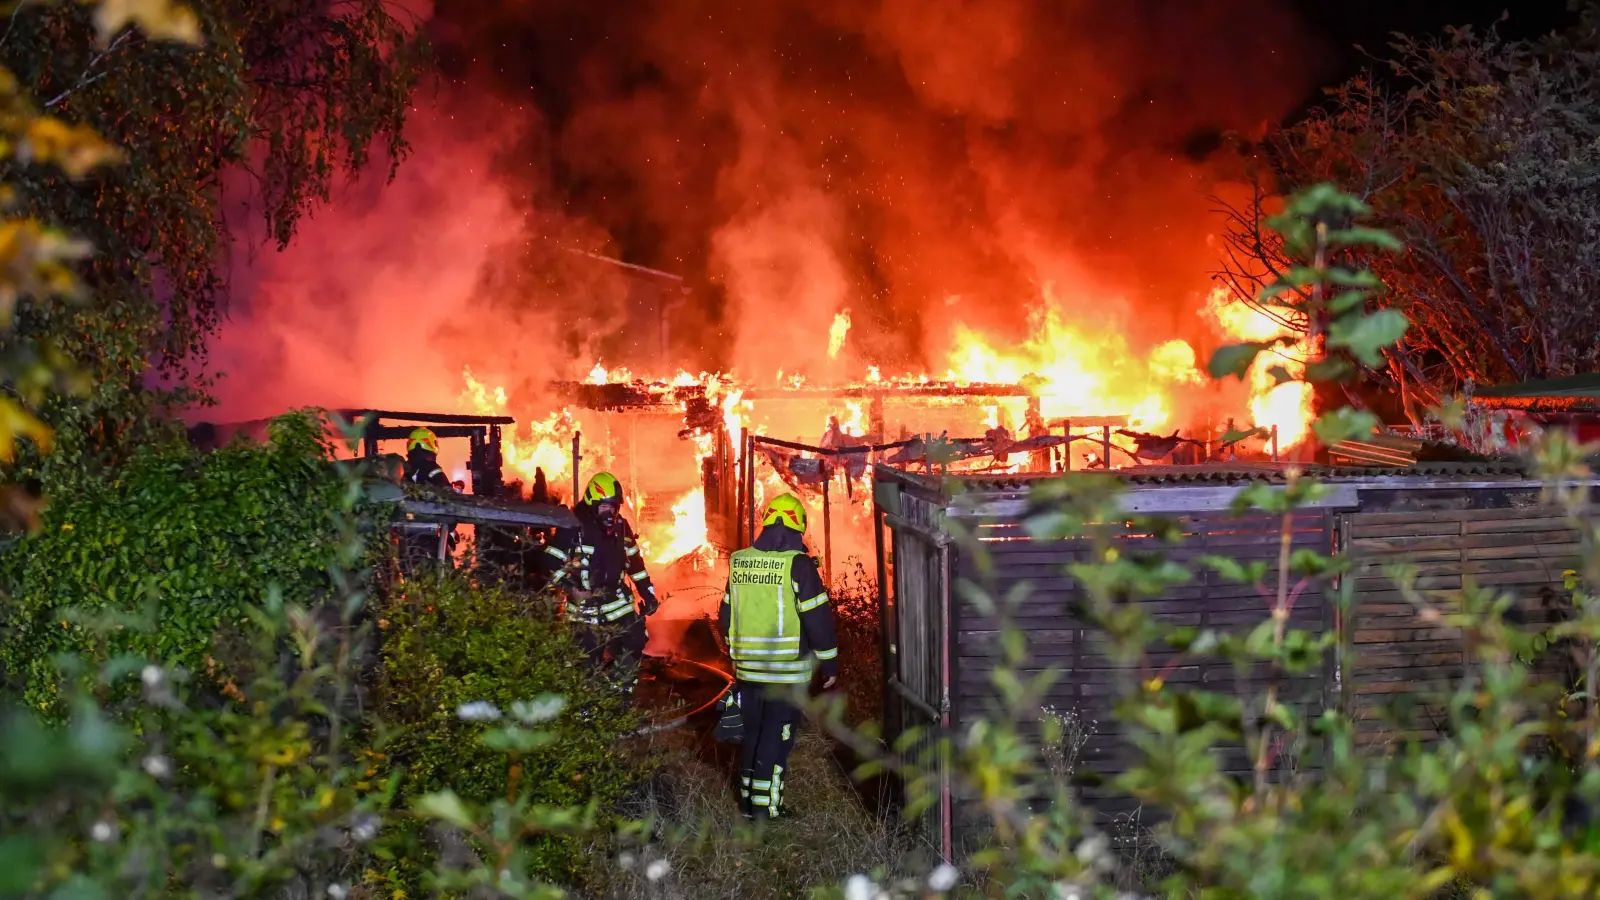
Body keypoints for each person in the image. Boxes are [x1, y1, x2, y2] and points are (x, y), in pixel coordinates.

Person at [719, 492, 839, 821]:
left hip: (748, 671)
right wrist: (829, 662)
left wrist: (735, 650)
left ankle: (747, 803)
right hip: (785, 674)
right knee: (776, 739)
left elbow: (725, 613)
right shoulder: (797, 565)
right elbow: (817, 618)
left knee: (754, 734)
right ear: (796, 529)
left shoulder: (739, 560)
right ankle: (766, 808)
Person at [543, 472, 660, 694]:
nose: (611, 512)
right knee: (586, 661)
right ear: (592, 502)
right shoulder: (573, 527)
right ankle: (587, 712)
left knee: (634, 641)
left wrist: (649, 593)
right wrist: (571, 589)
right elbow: (549, 562)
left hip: (617, 601)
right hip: (584, 608)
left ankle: (620, 695)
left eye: (615, 506)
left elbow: (635, 564)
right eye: (606, 506)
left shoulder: (621, 528)